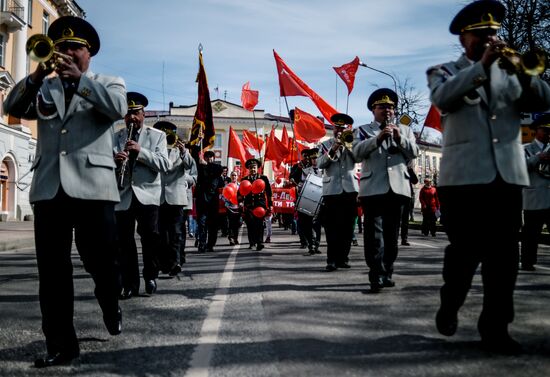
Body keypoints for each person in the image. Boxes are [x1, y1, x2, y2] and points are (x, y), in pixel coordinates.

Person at [3, 16, 127, 367]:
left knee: (101, 262)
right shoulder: (44, 86)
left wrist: (82, 82)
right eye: (62, 47)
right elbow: (11, 108)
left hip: (94, 189)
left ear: (89, 54)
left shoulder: (108, 83)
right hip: (49, 189)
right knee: (53, 272)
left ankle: (110, 301)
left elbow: (117, 109)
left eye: (76, 47)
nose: (68, 53)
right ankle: (60, 344)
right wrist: (37, 75)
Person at [427, 0, 550, 354]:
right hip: (462, 180)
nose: (489, 40)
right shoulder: (445, 71)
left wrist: (528, 72)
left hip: (507, 178)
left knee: (503, 257)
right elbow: (444, 100)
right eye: (481, 35)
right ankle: (451, 302)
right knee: (464, 252)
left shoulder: (512, 72)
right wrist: (481, 66)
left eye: (493, 34)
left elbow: (543, 100)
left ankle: (495, 328)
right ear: (465, 37)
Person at [353, 89, 419, 292]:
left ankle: (387, 271)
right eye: (382, 107)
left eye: (390, 107)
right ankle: (376, 275)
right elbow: (356, 153)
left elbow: (414, 152)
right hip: (373, 189)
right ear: (373, 109)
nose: (387, 110)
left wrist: (400, 139)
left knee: (392, 235)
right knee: (374, 236)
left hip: (398, 188)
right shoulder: (362, 130)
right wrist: (378, 138)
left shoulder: (405, 130)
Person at [114, 92, 171, 299]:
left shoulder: (158, 136)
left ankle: (150, 276)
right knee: (124, 243)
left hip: (148, 195)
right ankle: (129, 284)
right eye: (128, 114)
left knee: (150, 239)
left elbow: (165, 164)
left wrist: (140, 151)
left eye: (135, 113)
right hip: (123, 195)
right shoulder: (116, 136)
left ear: (144, 114)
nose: (132, 118)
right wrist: (115, 161)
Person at [154, 121, 196, 276]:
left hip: (176, 198)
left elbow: (190, 166)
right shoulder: (155, 149)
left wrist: (184, 151)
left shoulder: (179, 150)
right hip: (158, 197)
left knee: (176, 233)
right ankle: (163, 263)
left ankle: (176, 262)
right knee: (160, 234)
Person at [317, 113, 359, 271]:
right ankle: (331, 260)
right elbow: (320, 164)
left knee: (348, 227)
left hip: (350, 189)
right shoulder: (324, 145)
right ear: (332, 128)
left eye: (343, 128)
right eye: (337, 127)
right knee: (332, 227)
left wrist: (348, 146)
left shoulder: (353, 143)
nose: (339, 131)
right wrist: (333, 148)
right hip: (332, 191)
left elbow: (359, 158)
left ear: (348, 128)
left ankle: (343, 257)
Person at [521, 114, 550, 271]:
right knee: (531, 234)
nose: (548, 133)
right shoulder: (526, 149)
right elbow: (520, 167)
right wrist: (538, 157)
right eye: (545, 130)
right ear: (536, 131)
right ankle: (527, 261)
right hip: (534, 198)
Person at [194, 150, 224, 253]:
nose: (209, 158)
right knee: (202, 224)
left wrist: (206, 164)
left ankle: (210, 244)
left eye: (211, 157)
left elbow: (217, 170)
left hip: (212, 202)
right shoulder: (200, 167)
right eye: (207, 157)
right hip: (202, 201)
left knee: (213, 225)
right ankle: (202, 244)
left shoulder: (217, 168)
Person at [240, 158, 273, 251]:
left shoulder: (263, 178)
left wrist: (270, 204)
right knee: (250, 224)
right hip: (249, 205)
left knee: (259, 224)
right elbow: (240, 192)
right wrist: (240, 202)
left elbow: (269, 192)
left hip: (260, 205)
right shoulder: (244, 179)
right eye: (250, 168)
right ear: (248, 169)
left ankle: (259, 242)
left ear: (257, 168)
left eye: (254, 167)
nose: (252, 170)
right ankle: (252, 243)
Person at [401, 161, 419, 246]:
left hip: (407, 196)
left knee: (405, 220)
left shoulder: (409, 170)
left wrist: (410, 170)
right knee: (396, 219)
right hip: (398, 195)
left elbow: (415, 181)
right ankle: (393, 238)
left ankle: (404, 239)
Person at [224, 170, 242, 245]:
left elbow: (243, 195)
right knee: (231, 223)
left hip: (238, 208)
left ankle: (235, 237)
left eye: (235, 175)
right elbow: (224, 196)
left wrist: (241, 203)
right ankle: (231, 238)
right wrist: (227, 203)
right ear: (230, 177)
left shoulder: (240, 185)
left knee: (237, 223)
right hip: (230, 208)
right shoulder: (227, 186)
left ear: (237, 177)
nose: (234, 177)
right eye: (232, 175)